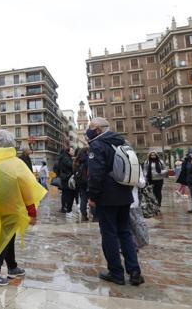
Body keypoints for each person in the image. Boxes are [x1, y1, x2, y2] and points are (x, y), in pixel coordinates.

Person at [0, 130, 46, 287]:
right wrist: (32, 212)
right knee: (4, 238)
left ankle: (12, 267)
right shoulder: (14, 163)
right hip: (12, 208)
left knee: (8, 236)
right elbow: (26, 189)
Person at [86, 117, 144, 286]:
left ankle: (116, 273)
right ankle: (134, 272)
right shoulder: (123, 143)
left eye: (90, 128)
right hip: (125, 195)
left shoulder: (97, 145)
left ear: (97, 129)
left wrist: (92, 197)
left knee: (109, 234)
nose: (88, 131)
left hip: (106, 198)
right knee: (125, 233)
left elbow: (95, 175)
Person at [74, 148, 91, 221]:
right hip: (88, 181)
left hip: (80, 182)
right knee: (92, 197)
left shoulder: (76, 160)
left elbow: (74, 171)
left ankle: (84, 214)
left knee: (83, 198)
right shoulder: (88, 159)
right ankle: (95, 215)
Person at [57, 147, 76, 213]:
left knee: (65, 193)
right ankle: (64, 208)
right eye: (72, 150)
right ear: (68, 152)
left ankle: (65, 207)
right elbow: (71, 165)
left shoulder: (66, 157)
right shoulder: (65, 158)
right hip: (66, 178)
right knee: (66, 193)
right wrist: (75, 161)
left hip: (66, 178)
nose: (73, 151)